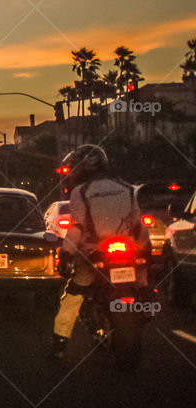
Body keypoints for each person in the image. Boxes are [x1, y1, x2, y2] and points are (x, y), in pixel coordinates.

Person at [50, 144, 150, 359]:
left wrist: (66, 255)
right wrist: (144, 250)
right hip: (128, 249)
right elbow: (138, 224)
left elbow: (76, 227)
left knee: (74, 294)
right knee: (141, 281)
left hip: (94, 252)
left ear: (79, 168)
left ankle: (59, 343)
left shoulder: (81, 191)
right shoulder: (126, 187)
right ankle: (144, 301)